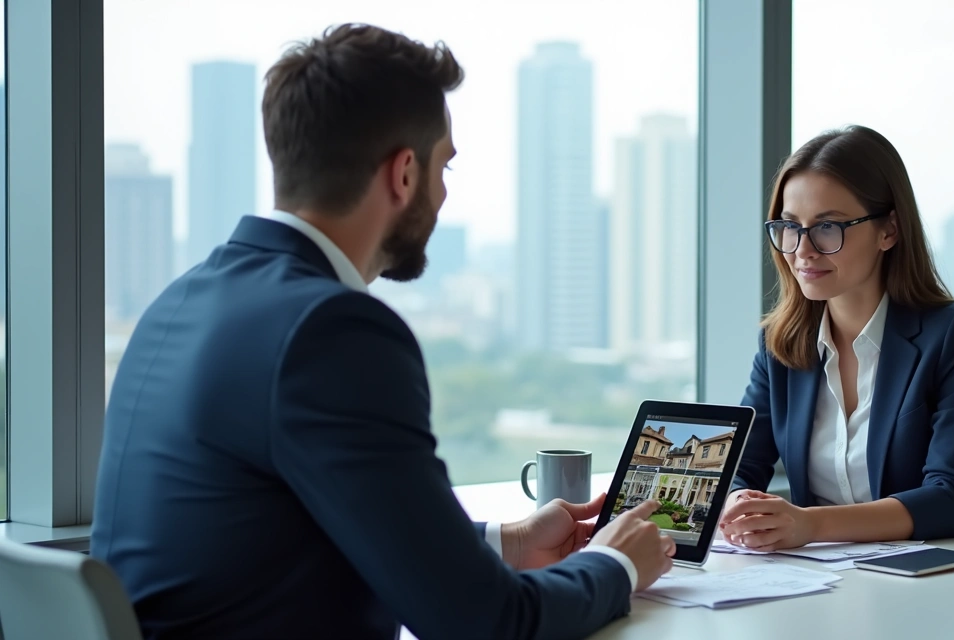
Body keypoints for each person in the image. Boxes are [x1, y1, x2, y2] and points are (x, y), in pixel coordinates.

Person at [90, 24, 675, 640]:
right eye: (443, 165)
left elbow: (308, 529)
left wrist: (505, 542)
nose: (445, 191)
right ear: (403, 173)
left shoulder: (181, 301)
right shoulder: (333, 332)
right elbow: (486, 623)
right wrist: (614, 565)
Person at [718, 125, 954, 551]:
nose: (802, 249)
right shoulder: (780, 343)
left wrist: (811, 525)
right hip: (828, 580)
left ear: (888, 230)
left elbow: (951, 498)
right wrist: (737, 499)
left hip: (943, 575)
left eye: (828, 227)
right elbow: (741, 463)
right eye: (790, 226)